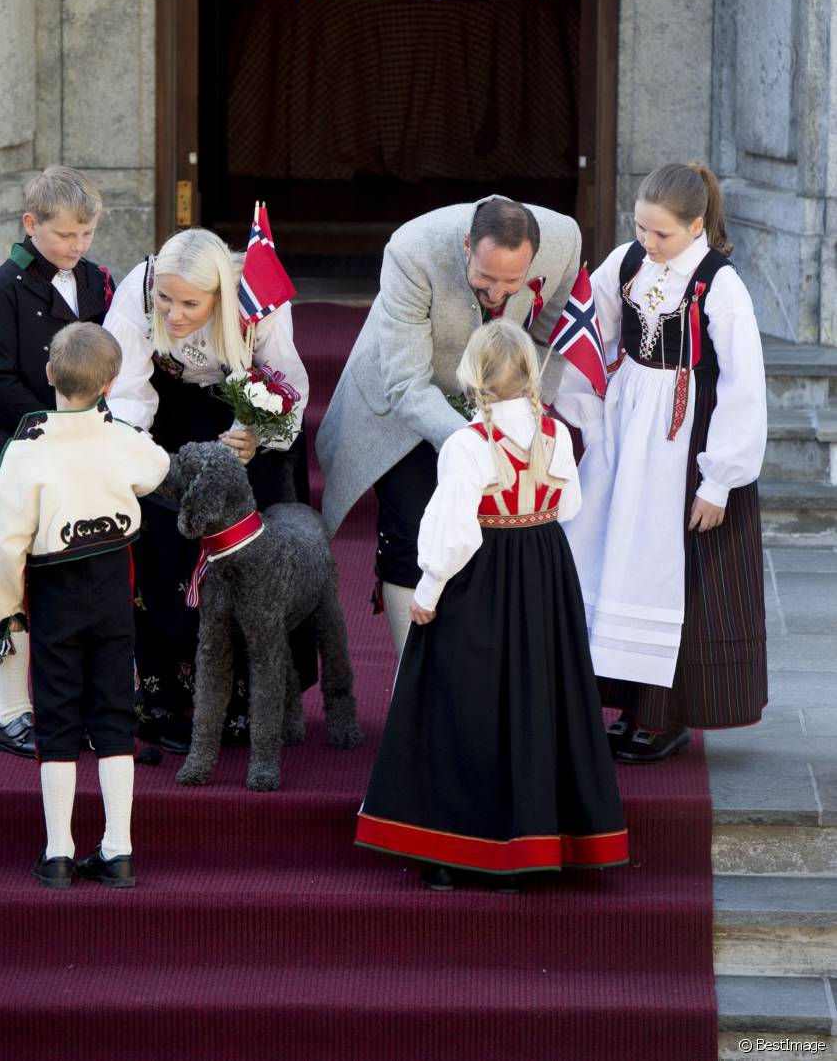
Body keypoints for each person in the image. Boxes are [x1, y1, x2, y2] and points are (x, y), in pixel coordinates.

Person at [355, 320, 628, 890]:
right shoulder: (556, 433)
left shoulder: (467, 443)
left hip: (479, 582)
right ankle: (528, 846)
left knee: (463, 705)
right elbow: (571, 502)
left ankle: (454, 852)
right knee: (535, 702)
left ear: (473, 381)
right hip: (544, 577)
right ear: (529, 374)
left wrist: (426, 593)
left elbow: (454, 532)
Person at [553, 162, 767, 763]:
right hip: (628, 433)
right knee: (609, 557)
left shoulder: (718, 285)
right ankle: (617, 700)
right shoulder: (626, 263)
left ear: (695, 225)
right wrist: (589, 418)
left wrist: (718, 480)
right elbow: (588, 332)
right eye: (641, 228)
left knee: (671, 573)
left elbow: (744, 387)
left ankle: (663, 715)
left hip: (684, 442)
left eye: (661, 234)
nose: (648, 242)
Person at [316, 196, 581, 655]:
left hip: (497, 402)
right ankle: (411, 683)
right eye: (485, 277)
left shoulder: (565, 240)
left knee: (490, 536)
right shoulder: (411, 249)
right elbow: (405, 383)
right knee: (412, 535)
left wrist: (520, 410)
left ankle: (469, 669)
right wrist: (475, 441)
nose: (497, 294)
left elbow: (550, 337)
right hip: (405, 406)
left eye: (512, 282)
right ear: (466, 246)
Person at [103, 227, 312, 752]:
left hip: (244, 406)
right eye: (165, 300)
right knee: (162, 547)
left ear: (220, 293)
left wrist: (257, 433)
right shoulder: (137, 290)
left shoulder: (258, 296)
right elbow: (127, 390)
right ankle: (168, 701)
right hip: (165, 410)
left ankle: (252, 706)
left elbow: (286, 379)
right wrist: (145, 462)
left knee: (251, 561)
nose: (172, 314)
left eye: (189, 303)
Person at [0, 322, 171, 890]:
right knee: (113, 712)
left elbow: (1, 546)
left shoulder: (25, 451)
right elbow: (157, 467)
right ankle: (118, 850)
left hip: (55, 594)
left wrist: (6, 612)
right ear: (111, 384)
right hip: (113, 592)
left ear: (48, 376)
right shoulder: (121, 440)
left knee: (57, 717)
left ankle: (58, 851)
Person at [0, 166, 113, 760]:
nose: (76, 248)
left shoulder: (99, 281)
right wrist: (58, 427)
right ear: (31, 225)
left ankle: (71, 701)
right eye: (64, 236)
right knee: (12, 579)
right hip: (19, 448)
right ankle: (12, 712)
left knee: (76, 573)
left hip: (85, 450)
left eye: (86, 235)